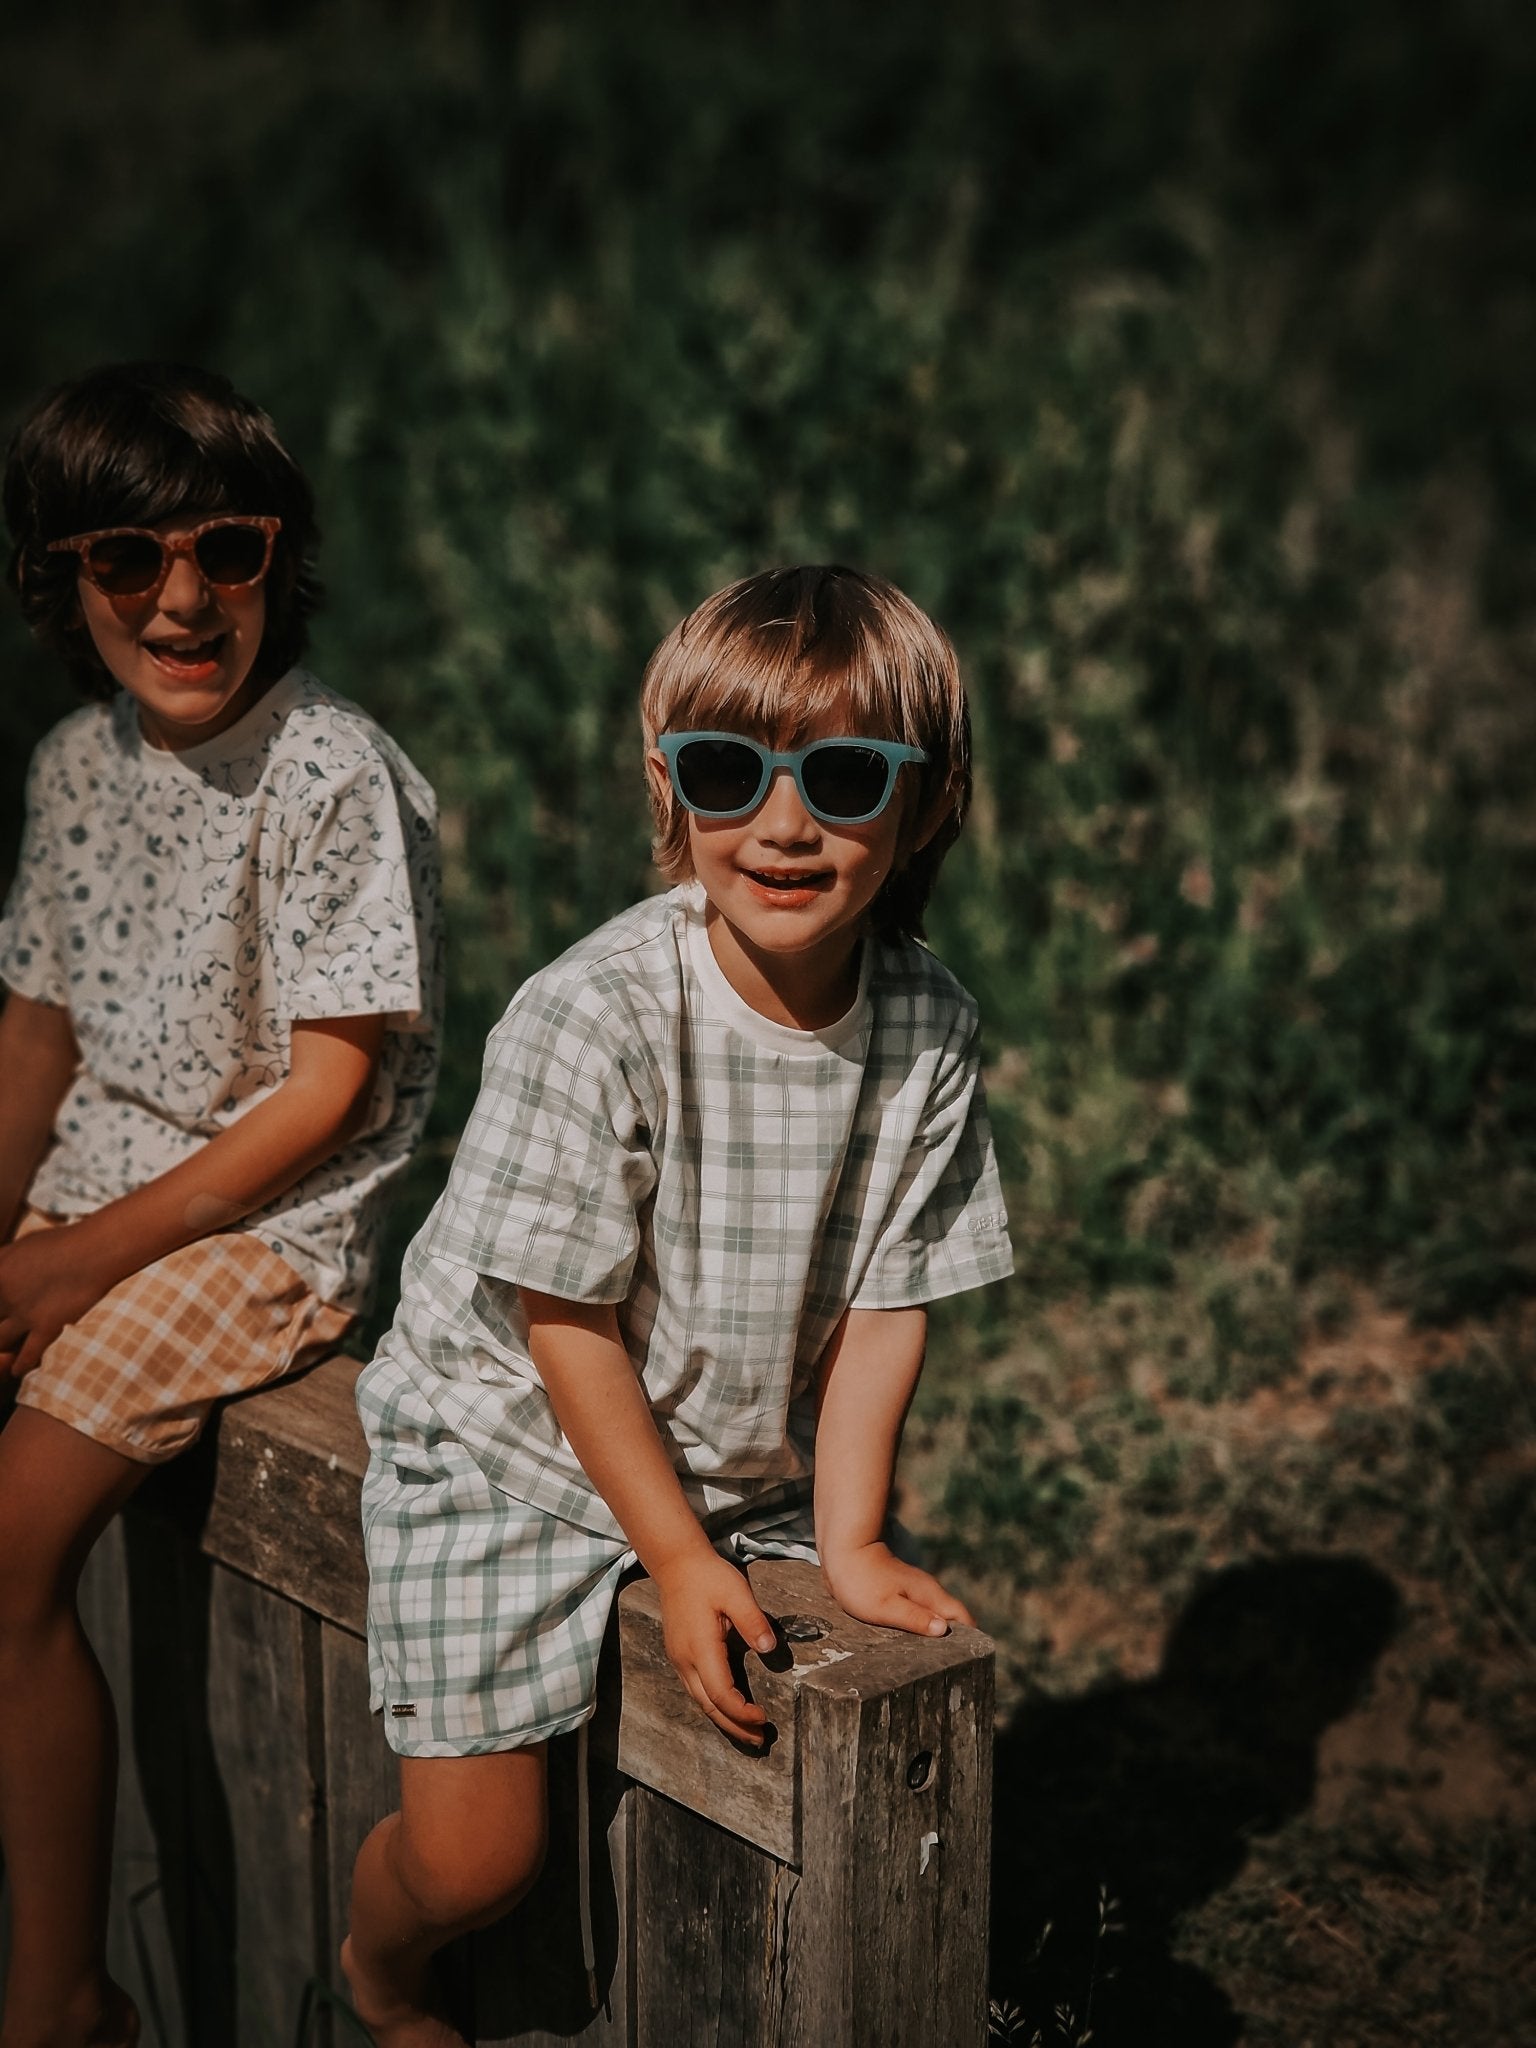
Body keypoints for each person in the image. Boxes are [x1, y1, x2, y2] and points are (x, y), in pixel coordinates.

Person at [343, 563, 1013, 2048]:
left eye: (845, 778)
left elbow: (890, 1297)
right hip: (513, 1434)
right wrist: (671, 1548)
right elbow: (559, 1320)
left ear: (926, 803)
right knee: (477, 1859)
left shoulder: (928, 1023)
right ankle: (376, 1967)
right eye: (731, 771)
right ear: (672, 791)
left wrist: (845, 1537)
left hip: (726, 1444)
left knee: (815, 1709)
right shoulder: (601, 1013)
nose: (784, 824)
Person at [0, 361, 443, 2048]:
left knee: (16, 1539)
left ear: (277, 561)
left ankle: (59, 1995)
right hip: (98, 1191)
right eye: (129, 561)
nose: (184, 599)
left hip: (266, 1227)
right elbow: (37, 1031)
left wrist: (68, 1267)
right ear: (64, 580)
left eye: (227, 552)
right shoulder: (68, 767)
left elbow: (325, 1094)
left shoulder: (330, 773)